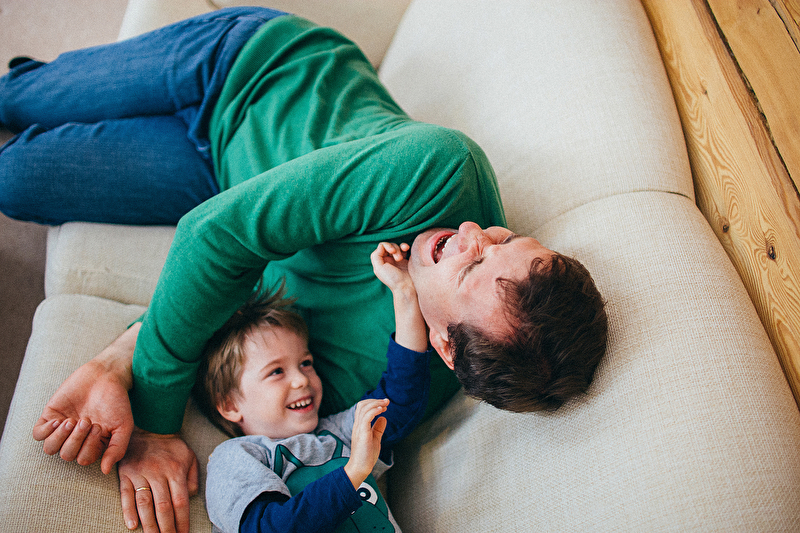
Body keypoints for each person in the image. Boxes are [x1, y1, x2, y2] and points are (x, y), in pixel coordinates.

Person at [1, 7, 608, 533]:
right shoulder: (441, 169)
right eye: (507, 240)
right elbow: (212, 237)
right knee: (21, 98)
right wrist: (155, 426)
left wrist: (114, 363)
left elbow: (244, 319)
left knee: (15, 178)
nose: (476, 232)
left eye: (472, 266)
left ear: (448, 348)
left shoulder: (387, 376)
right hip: (251, 68)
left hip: (219, 181)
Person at [195, 241, 430, 532]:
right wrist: (353, 473)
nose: (301, 379)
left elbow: (402, 399)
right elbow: (269, 528)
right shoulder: (236, 458)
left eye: (305, 363)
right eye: (276, 371)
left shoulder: (339, 433)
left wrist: (405, 293)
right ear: (229, 404)